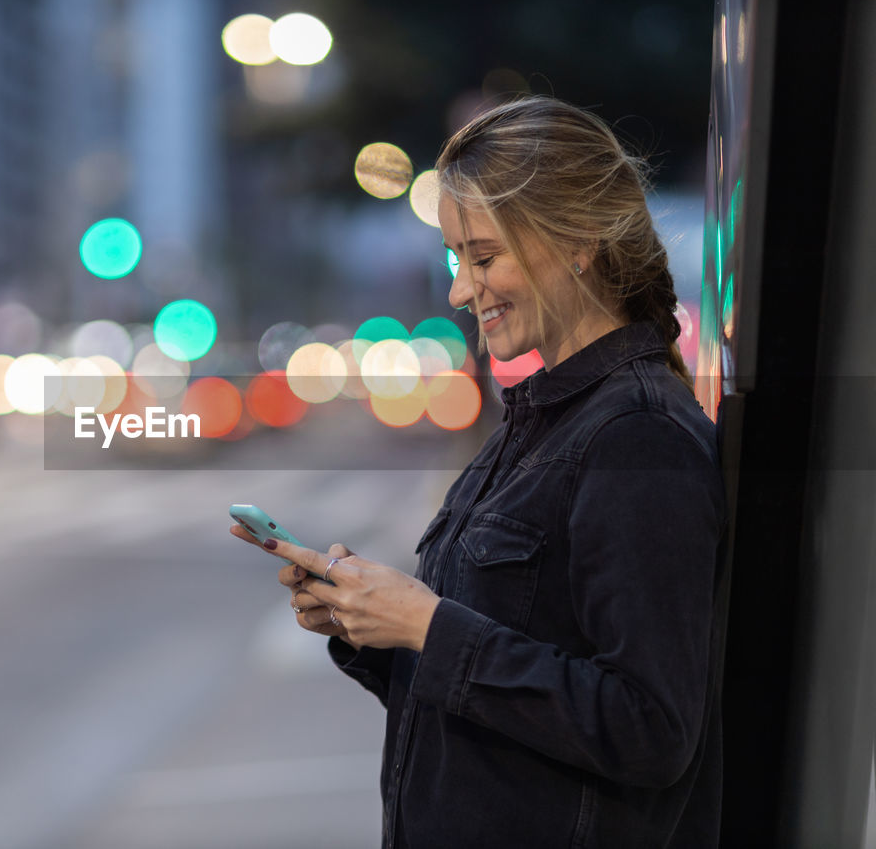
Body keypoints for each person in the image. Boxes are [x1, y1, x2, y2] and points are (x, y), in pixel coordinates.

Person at [230, 97, 728, 848]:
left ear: (577, 242)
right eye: (456, 259)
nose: (462, 290)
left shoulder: (638, 435)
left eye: (484, 256)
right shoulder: (542, 418)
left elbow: (649, 728)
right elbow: (496, 691)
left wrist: (427, 625)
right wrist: (373, 625)